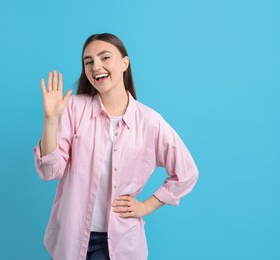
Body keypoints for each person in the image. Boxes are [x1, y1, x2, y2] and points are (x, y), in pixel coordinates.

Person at [33, 33, 198, 260]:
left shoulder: (150, 121)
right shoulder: (73, 108)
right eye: (88, 62)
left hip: (120, 243)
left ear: (124, 63)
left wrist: (147, 206)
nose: (96, 66)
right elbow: (49, 172)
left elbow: (187, 173)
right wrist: (51, 121)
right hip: (70, 238)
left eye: (105, 58)